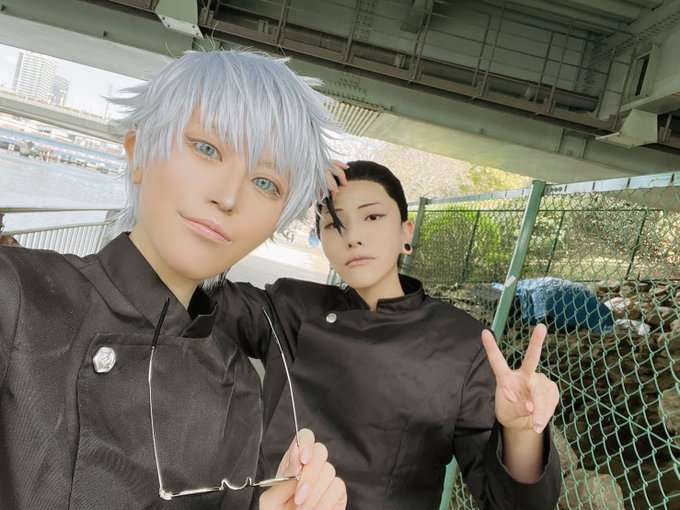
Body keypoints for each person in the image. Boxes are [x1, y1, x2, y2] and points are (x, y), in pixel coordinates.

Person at [0, 50, 348, 510]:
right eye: (207, 149)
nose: (228, 197)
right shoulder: (15, 294)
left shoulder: (239, 386)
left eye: (266, 183)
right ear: (138, 155)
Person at [211, 161, 562, 510]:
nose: (353, 237)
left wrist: (520, 432)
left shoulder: (461, 342)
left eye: (373, 216)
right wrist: (278, 183)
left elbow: (513, 504)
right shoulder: (291, 306)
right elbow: (195, 288)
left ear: (405, 233)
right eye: (334, 224)